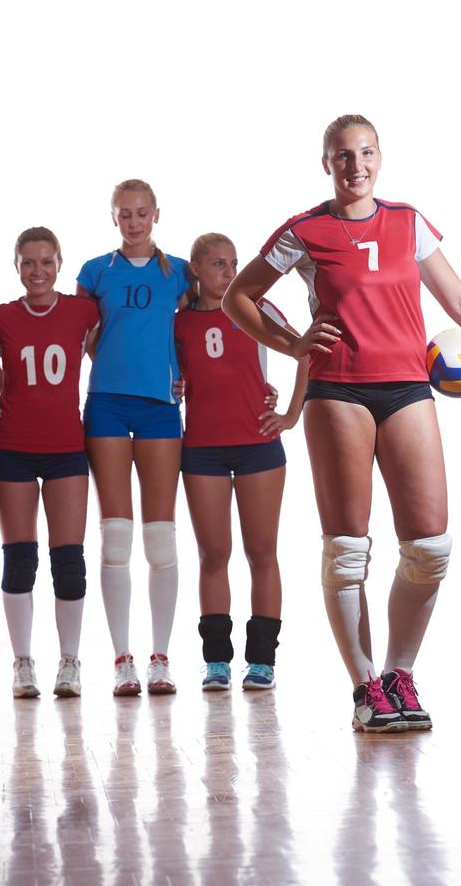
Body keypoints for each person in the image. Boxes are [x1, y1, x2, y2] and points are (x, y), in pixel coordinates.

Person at [223, 114, 461, 733]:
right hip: (337, 390)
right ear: (326, 164)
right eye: (342, 156)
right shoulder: (305, 230)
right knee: (348, 551)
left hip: (408, 389)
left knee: (430, 546)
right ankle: (366, 688)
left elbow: (460, 303)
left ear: (380, 158)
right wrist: (292, 346)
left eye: (366, 153)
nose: (356, 165)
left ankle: (400, 673)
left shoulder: (407, 222)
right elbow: (238, 295)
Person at [175, 233, 309, 691]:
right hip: (202, 449)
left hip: (257, 445)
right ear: (195, 268)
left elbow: (306, 349)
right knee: (214, 554)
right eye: (217, 264)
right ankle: (215, 660)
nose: (229, 273)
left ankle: (262, 661)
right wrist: (174, 386)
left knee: (261, 552)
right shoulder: (179, 323)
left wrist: (290, 412)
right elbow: (173, 374)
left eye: (233, 264)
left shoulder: (258, 308)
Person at [76, 179, 191, 697]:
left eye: (143, 213)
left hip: (160, 409)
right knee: (116, 534)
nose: (135, 222)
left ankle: (161, 658)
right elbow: (76, 335)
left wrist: (182, 372)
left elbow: (197, 333)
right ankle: (122, 659)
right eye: (125, 214)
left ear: (157, 215)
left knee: (161, 535)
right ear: (114, 218)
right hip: (106, 403)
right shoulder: (95, 272)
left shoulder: (180, 272)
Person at [0, 227, 99, 698]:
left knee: (69, 560)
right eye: (27, 263)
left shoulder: (83, 311)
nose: (37, 272)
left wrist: (173, 376)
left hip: (66, 449)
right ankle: (22, 663)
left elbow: (129, 342)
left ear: (59, 263)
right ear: (16, 266)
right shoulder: (3, 317)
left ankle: (70, 661)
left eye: (45, 262)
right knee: (19, 559)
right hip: (13, 448)